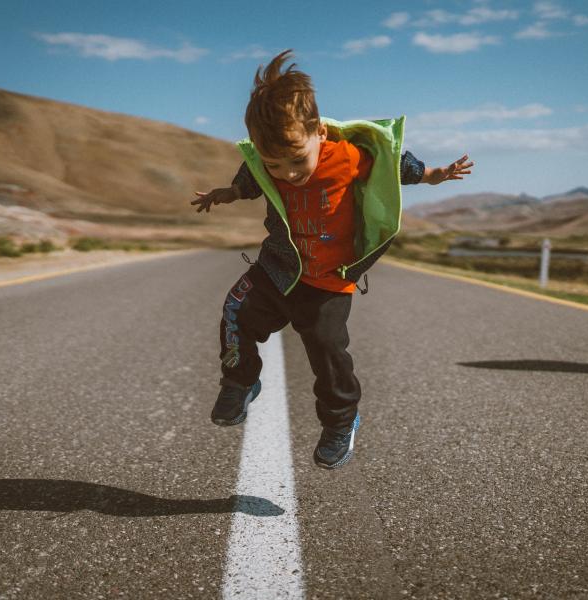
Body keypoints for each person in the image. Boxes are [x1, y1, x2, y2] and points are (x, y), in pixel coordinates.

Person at [191, 49, 473, 469]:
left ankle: (341, 422)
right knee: (236, 312)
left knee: (327, 354)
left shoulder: (347, 155)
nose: (286, 173)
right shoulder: (267, 165)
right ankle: (239, 380)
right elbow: (251, 177)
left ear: (319, 132)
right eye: (274, 164)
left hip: (327, 282)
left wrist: (432, 175)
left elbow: (391, 162)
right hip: (278, 268)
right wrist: (228, 193)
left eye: (296, 160)